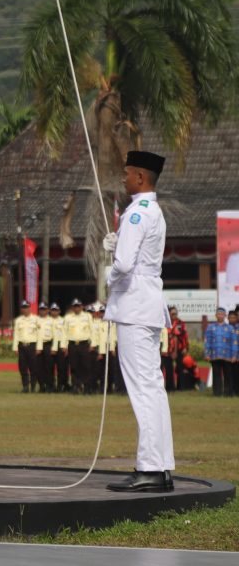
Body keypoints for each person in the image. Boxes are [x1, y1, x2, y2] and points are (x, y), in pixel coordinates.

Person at [102, 150, 174, 492]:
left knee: (143, 391)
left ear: (141, 178)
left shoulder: (135, 214)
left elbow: (126, 265)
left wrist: (108, 272)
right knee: (153, 390)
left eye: (128, 173)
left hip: (133, 306)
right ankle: (161, 466)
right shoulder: (152, 211)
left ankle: (150, 467)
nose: (124, 178)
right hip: (148, 305)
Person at [63, 298, 93, 394]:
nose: (77, 308)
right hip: (72, 345)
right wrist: (64, 346)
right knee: (74, 366)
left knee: (86, 366)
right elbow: (64, 332)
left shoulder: (87, 316)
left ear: (82, 307)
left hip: (84, 344)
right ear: (72, 308)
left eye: (78, 306)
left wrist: (93, 344)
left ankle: (87, 387)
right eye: (75, 306)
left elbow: (92, 331)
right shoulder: (68, 318)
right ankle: (75, 386)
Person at [12, 300, 39, 393]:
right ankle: (25, 387)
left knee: (34, 367)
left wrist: (39, 347)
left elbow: (39, 334)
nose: (25, 309)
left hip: (32, 346)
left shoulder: (36, 319)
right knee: (22, 367)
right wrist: (15, 347)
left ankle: (33, 386)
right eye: (23, 308)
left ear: (30, 308)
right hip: (22, 346)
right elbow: (16, 334)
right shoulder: (18, 320)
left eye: (26, 307)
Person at [164, 307, 188, 391]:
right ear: (169, 314)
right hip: (167, 349)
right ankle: (170, 387)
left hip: (179, 348)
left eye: (176, 313)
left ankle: (181, 387)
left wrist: (185, 347)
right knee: (168, 368)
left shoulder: (181, 323)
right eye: (172, 314)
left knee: (180, 368)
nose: (174, 315)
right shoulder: (165, 323)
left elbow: (185, 336)